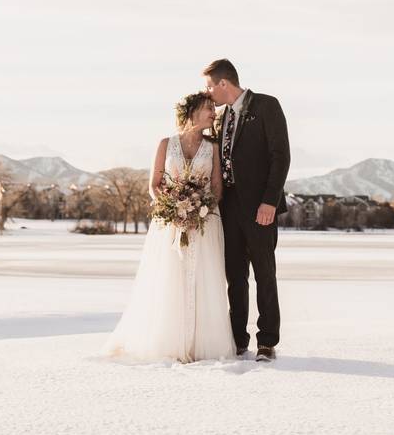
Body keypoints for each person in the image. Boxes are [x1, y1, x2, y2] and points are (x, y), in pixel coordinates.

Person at [103, 91, 235, 363]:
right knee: (168, 279)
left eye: (214, 108)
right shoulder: (165, 143)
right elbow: (154, 184)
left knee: (203, 279)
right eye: (208, 108)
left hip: (203, 224)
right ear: (192, 113)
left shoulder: (212, 147)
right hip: (170, 224)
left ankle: (201, 345)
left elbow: (217, 189)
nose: (213, 113)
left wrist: (198, 208)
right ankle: (168, 342)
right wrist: (173, 208)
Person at [203, 59, 290, 362]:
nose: (208, 92)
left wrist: (270, 200)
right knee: (235, 276)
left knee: (265, 273)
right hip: (228, 208)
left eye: (209, 86)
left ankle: (267, 341)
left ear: (223, 83)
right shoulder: (221, 117)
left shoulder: (267, 106)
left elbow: (280, 156)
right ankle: (237, 339)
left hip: (259, 207)